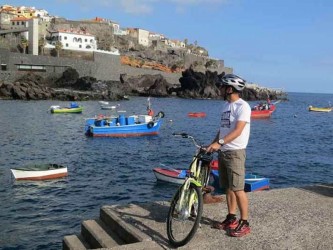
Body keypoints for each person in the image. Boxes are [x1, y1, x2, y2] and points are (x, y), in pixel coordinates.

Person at [207, 74, 251, 237]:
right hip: (224, 151)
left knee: (238, 189)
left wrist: (220, 142)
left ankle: (245, 223)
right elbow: (223, 129)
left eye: (223, 86)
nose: (221, 89)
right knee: (228, 188)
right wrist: (213, 144)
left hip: (235, 152)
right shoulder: (225, 106)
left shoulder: (243, 106)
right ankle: (231, 218)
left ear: (230, 89)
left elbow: (238, 130)